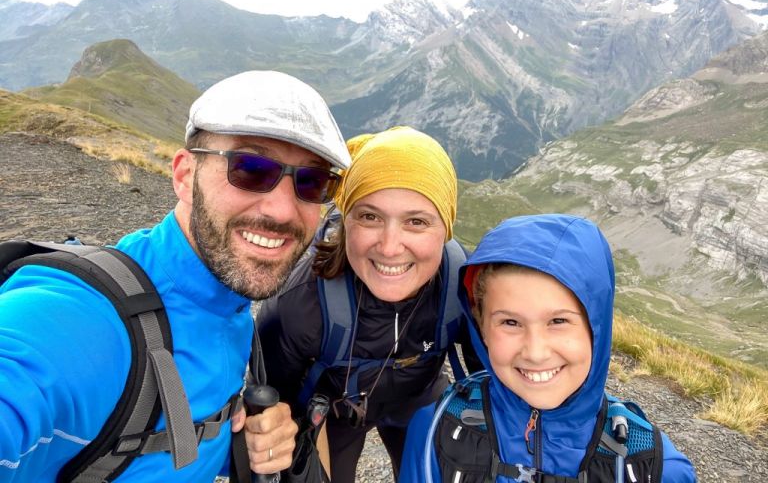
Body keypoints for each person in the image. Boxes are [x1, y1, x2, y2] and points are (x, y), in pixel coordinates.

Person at [0, 70, 351, 482]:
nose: (282, 211)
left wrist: (238, 440)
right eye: (250, 169)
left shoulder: (228, 302)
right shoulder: (80, 321)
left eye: (312, 182)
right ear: (185, 175)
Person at [400, 214, 697, 483]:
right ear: (481, 329)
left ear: (596, 329)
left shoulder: (657, 469)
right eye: (510, 322)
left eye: (558, 320)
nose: (535, 352)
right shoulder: (432, 433)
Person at [256, 126, 480, 483]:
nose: (390, 247)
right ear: (346, 221)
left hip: (419, 398)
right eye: (370, 217)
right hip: (334, 412)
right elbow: (277, 408)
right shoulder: (300, 304)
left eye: (417, 221)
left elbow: (498, 389)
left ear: (446, 228)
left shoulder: (461, 285)